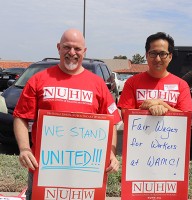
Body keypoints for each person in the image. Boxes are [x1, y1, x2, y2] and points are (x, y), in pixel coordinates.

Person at [13, 28, 121, 200]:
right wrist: (25, 148)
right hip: (45, 168)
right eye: (67, 47)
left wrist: (111, 153)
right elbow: (21, 117)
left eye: (77, 49)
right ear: (58, 48)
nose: (72, 53)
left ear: (84, 51)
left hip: (86, 171)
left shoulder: (98, 84)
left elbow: (111, 123)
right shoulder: (38, 80)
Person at [117, 32, 192, 116]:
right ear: (146, 55)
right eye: (153, 53)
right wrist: (145, 109)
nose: (157, 59)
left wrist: (163, 105)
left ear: (170, 57)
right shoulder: (132, 82)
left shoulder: (181, 85)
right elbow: (125, 116)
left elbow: (186, 119)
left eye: (163, 54)